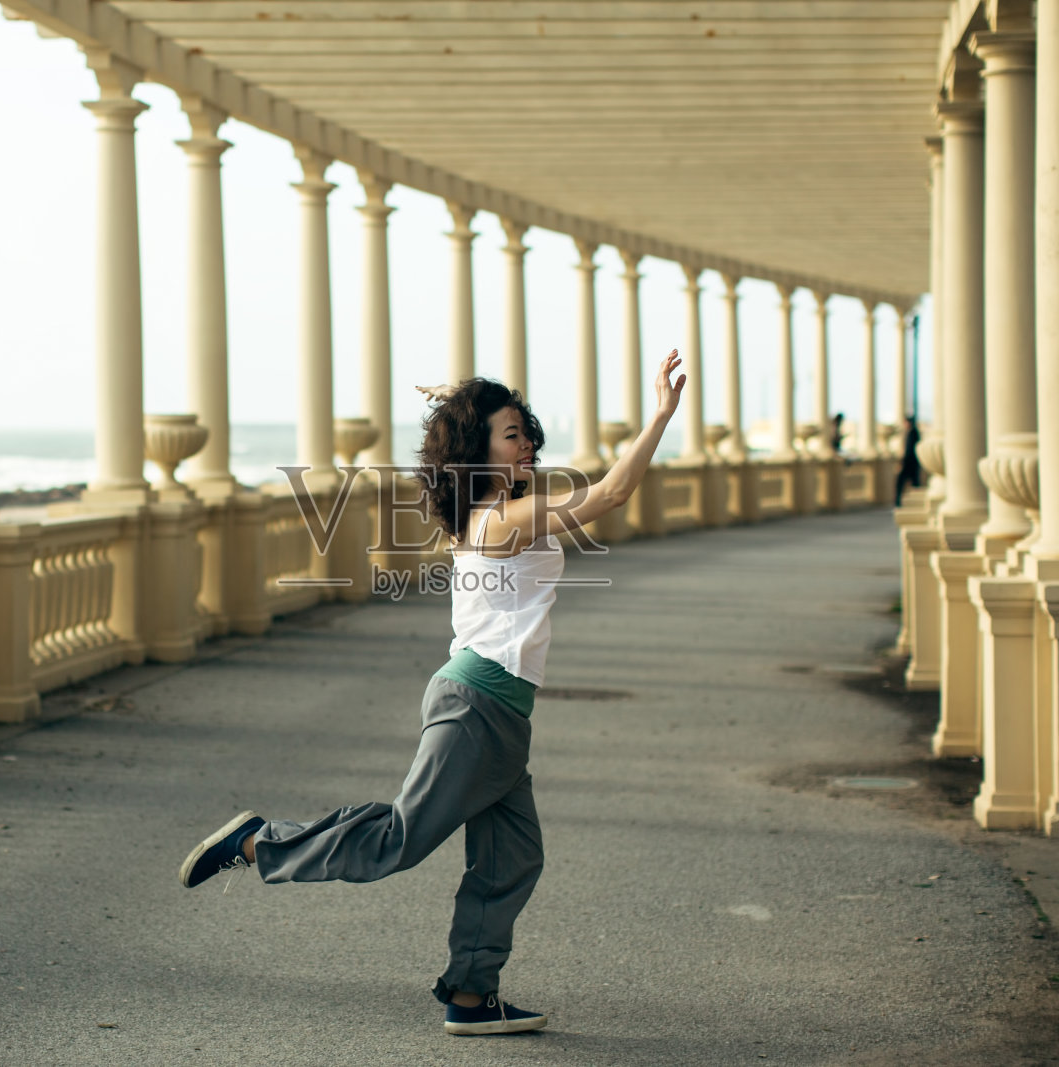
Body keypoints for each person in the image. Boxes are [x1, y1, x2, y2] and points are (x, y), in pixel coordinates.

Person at [178, 351, 687, 1036]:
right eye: (512, 433)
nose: (529, 443)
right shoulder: (495, 520)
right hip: (474, 706)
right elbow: (611, 496)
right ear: (479, 449)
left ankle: (472, 996)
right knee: (398, 839)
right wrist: (660, 416)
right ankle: (257, 843)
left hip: (501, 714)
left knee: (513, 856)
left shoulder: (504, 510)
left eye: (527, 431)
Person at [895, 415, 922, 506]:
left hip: (909, 463)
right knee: (915, 483)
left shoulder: (912, 433)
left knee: (901, 482)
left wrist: (902, 463)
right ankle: (916, 502)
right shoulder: (913, 432)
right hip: (912, 463)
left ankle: (899, 502)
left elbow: (909, 450)